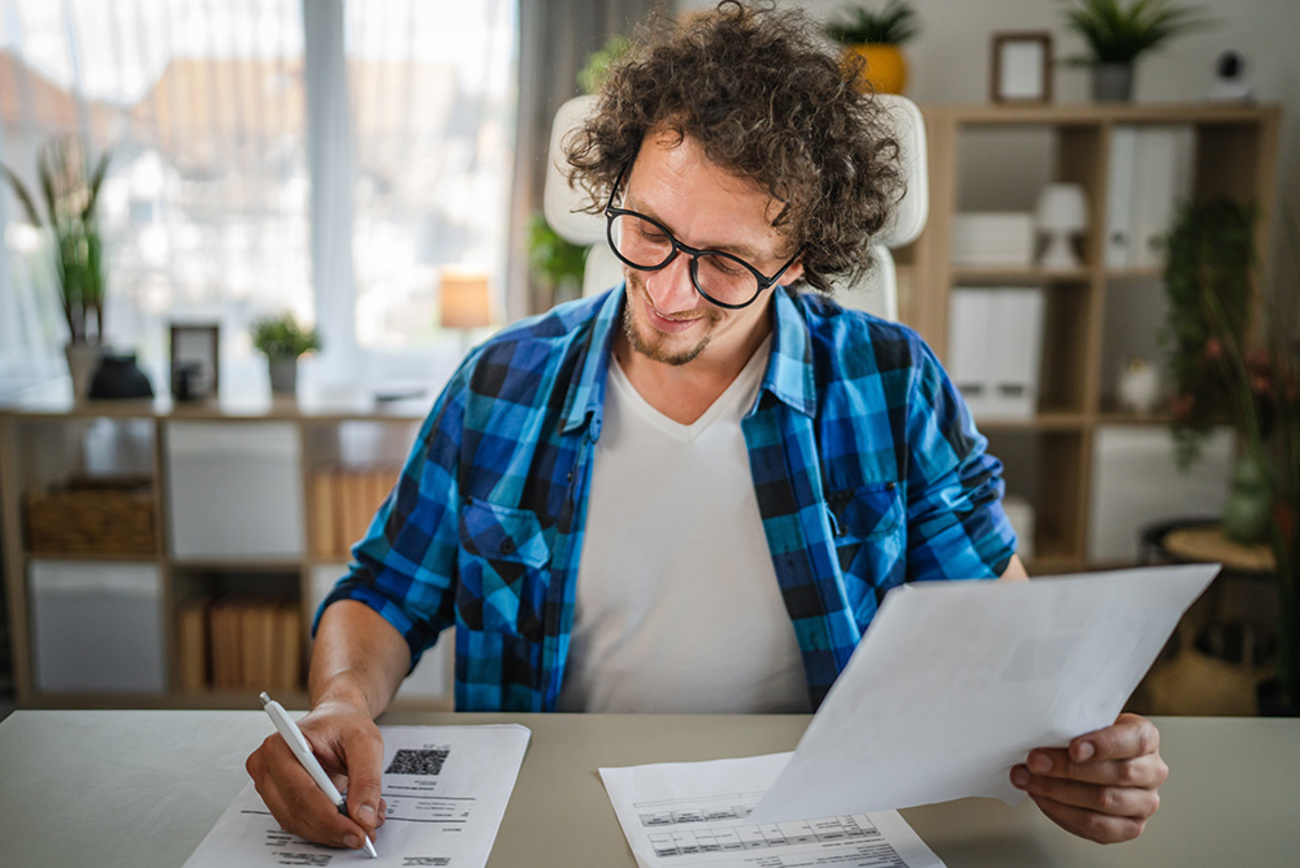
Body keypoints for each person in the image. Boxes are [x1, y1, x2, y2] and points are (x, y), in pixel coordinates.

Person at [247, 1, 1167, 851]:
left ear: (799, 262)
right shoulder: (499, 383)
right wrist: (340, 702)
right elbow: (385, 591)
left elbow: (993, 623)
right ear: (617, 186)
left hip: (816, 820)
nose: (669, 290)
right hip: (554, 812)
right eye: (647, 231)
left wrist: (1073, 745)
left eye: (725, 262)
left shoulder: (891, 382)